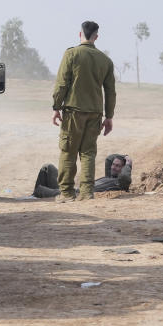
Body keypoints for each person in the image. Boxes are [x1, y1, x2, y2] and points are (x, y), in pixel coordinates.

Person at [51, 20, 116, 202]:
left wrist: (56, 107)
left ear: (80, 34)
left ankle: (66, 193)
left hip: (73, 112)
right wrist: (109, 116)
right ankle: (87, 193)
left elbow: (62, 84)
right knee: (88, 152)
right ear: (96, 37)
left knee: (68, 151)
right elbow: (110, 91)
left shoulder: (71, 54)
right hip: (95, 113)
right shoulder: (105, 60)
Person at [32, 154, 132, 198]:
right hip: (72, 189)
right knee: (47, 167)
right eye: (113, 164)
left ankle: (34, 196)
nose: (113, 167)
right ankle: (34, 196)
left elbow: (125, 177)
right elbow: (109, 159)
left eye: (118, 166)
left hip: (75, 195)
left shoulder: (119, 183)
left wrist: (128, 163)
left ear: (123, 169)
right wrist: (125, 156)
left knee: (39, 190)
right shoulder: (110, 176)